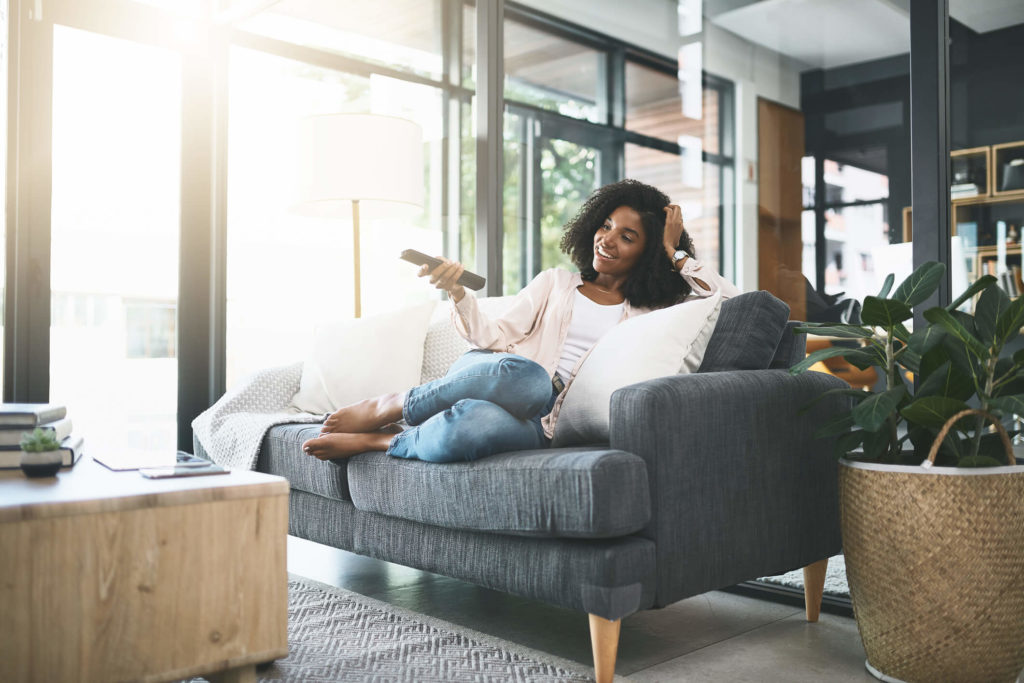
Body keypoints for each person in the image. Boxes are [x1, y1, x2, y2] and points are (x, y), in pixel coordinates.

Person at [302, 179, 739, 462]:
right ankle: (393, 404)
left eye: (627, 237)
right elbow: (489, 336)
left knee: (473, 424)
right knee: (530, 380)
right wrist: (457, 291)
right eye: (605, 226)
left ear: (647, 252)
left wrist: (675, 252)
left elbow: (728, 301)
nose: (607, 240)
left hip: (547, 423)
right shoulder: (556, 284)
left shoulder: (653, 312)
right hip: (502, 378)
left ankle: (383, 441)